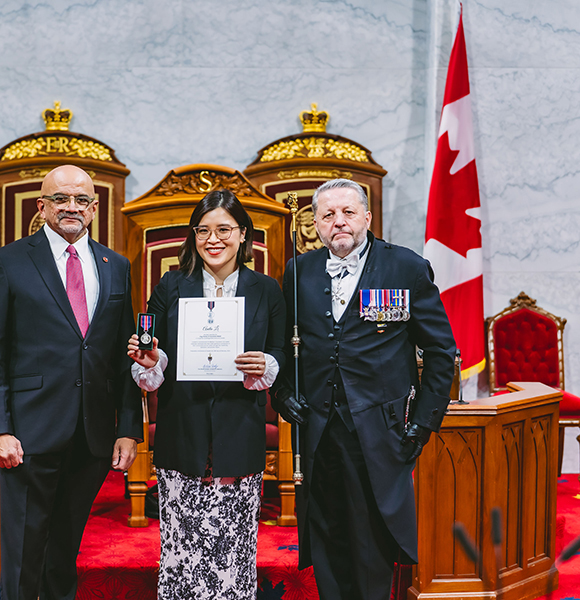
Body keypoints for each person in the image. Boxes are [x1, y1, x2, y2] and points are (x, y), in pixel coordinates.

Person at [272, 179, 456, 600]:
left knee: (372, 540)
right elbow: (283, 344)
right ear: (315, 225)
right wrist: (282, 393)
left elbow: (442, 352)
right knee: (326, 533)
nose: (339, 222)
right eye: (328, 215)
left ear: (367, 218)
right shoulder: (299, 270)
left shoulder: (406, 267)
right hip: (317, 431)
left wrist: (423, 424)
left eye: (348, 212)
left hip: (381, 430)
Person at [0, 164, 142, 600]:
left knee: (65, 548)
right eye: (61, 199)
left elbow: (123, 356)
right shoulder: (9, 261)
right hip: (28, 434)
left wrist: (128, 427)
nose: (72, 207)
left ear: (94, 208)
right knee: (24, 552)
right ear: (42, 205)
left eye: (82, 200)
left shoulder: (116, 265)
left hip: (91, 435)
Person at [127, 189, 286, 599]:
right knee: (182, 551)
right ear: (193, 236)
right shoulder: (171, 286)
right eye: (203, 230)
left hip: (240, 429)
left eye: (224, 229)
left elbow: (282, 351)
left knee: (233, 552)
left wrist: (266, 364)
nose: (213, 239)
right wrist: (150, 361)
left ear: (243, 234)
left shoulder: (267, 289)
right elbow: (152, 348)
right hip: (184, 428)